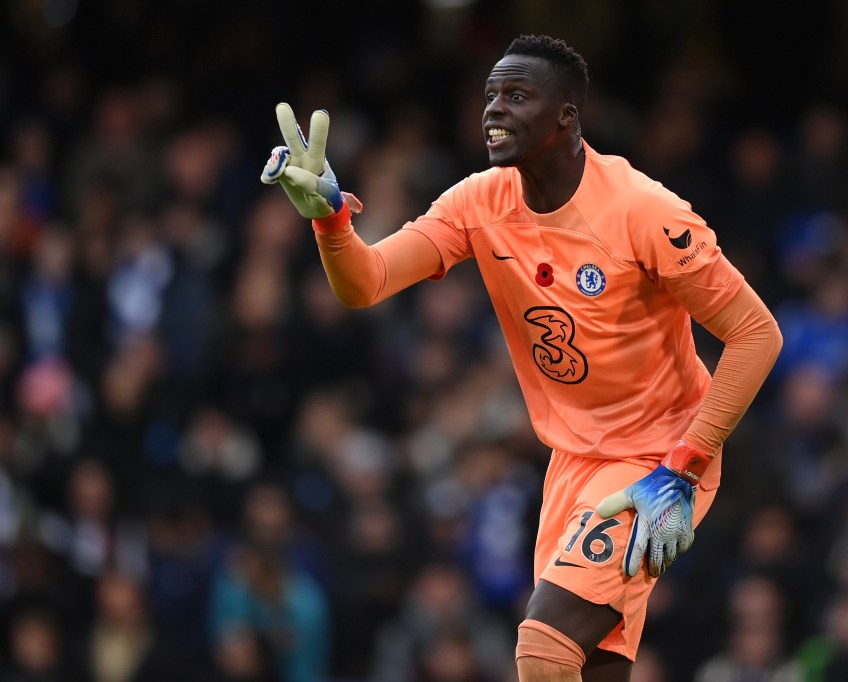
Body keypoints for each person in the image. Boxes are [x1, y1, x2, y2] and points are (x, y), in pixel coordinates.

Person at [261, 34, 782, 682]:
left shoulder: (644, 212)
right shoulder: (479, 203)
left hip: (658, 461)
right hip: (572, 464)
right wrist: (332, 221)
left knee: (544, 646)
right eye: (489, 97)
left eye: (516, 96)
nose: (493, 111)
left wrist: (683, 466)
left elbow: (758, 335)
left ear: (567, 115)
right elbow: (365, 282)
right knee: (588, 671)